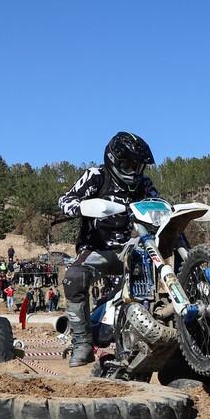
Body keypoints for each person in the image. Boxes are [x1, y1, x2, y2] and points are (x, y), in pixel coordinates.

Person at [57, 131, 158, 366]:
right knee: (73, 278)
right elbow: (65, 200)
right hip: (97, 248)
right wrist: (82, 207)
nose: (133, 171)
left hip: (130, 247)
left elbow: (159, 203)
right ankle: (82, 344)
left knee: (146, 286)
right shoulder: (96, 176)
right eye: (127, 164)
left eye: (138, 165)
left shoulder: (144, 184)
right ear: (113, 160)